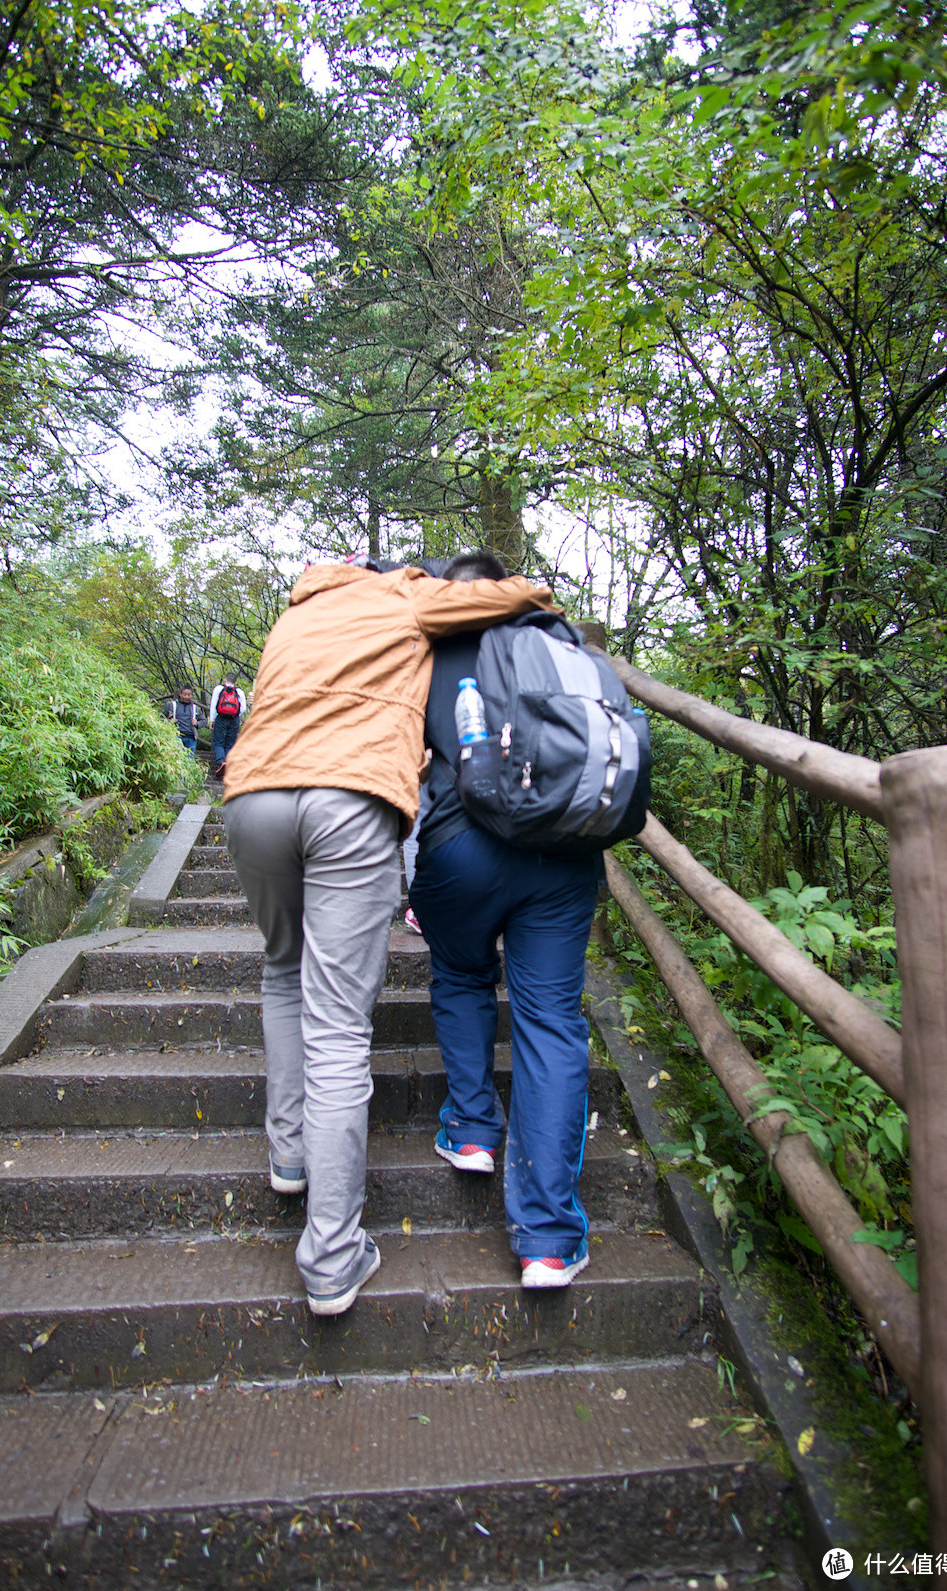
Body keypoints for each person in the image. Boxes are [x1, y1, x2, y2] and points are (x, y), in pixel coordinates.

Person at [221, 554, 553, 1317]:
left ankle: (290, 1156)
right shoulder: (406, 595)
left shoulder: (297, 612)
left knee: (282, 970)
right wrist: (527, 590)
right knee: (338, 1026)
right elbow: (511, 594)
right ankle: (333, 1257)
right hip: (349, 794)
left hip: (252, 798)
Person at [408, 549, 603, 1289]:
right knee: (550, 1019)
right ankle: (548, 1240)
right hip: (560, 851)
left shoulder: (423, 645)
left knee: (460, 973)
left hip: (459, 850)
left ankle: (471, 1129)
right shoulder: (556, 636)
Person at [209, 672, 248, 779]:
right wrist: (236, 715)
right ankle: (228, 766)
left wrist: (212, 720)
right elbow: (243, 708)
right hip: (234, 720)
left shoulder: (218, 689)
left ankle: (221, 762)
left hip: (221, 719)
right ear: (235, 682)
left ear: (225, 680)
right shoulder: (239, 691)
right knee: (230, 744)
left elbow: (213, 705)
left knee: (218, 742)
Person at [166, 683, 204, 754]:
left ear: (192, 695)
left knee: (190, 761)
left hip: (191, 738)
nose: (187, 697)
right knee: (178, 758)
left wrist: (197, 723)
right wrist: (169, 722)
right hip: (176, 736)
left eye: (189, 695)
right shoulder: (171, 705)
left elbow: (204, 721)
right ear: (180, 694)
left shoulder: (195, 708)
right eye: (185, 694)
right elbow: (160, 718)